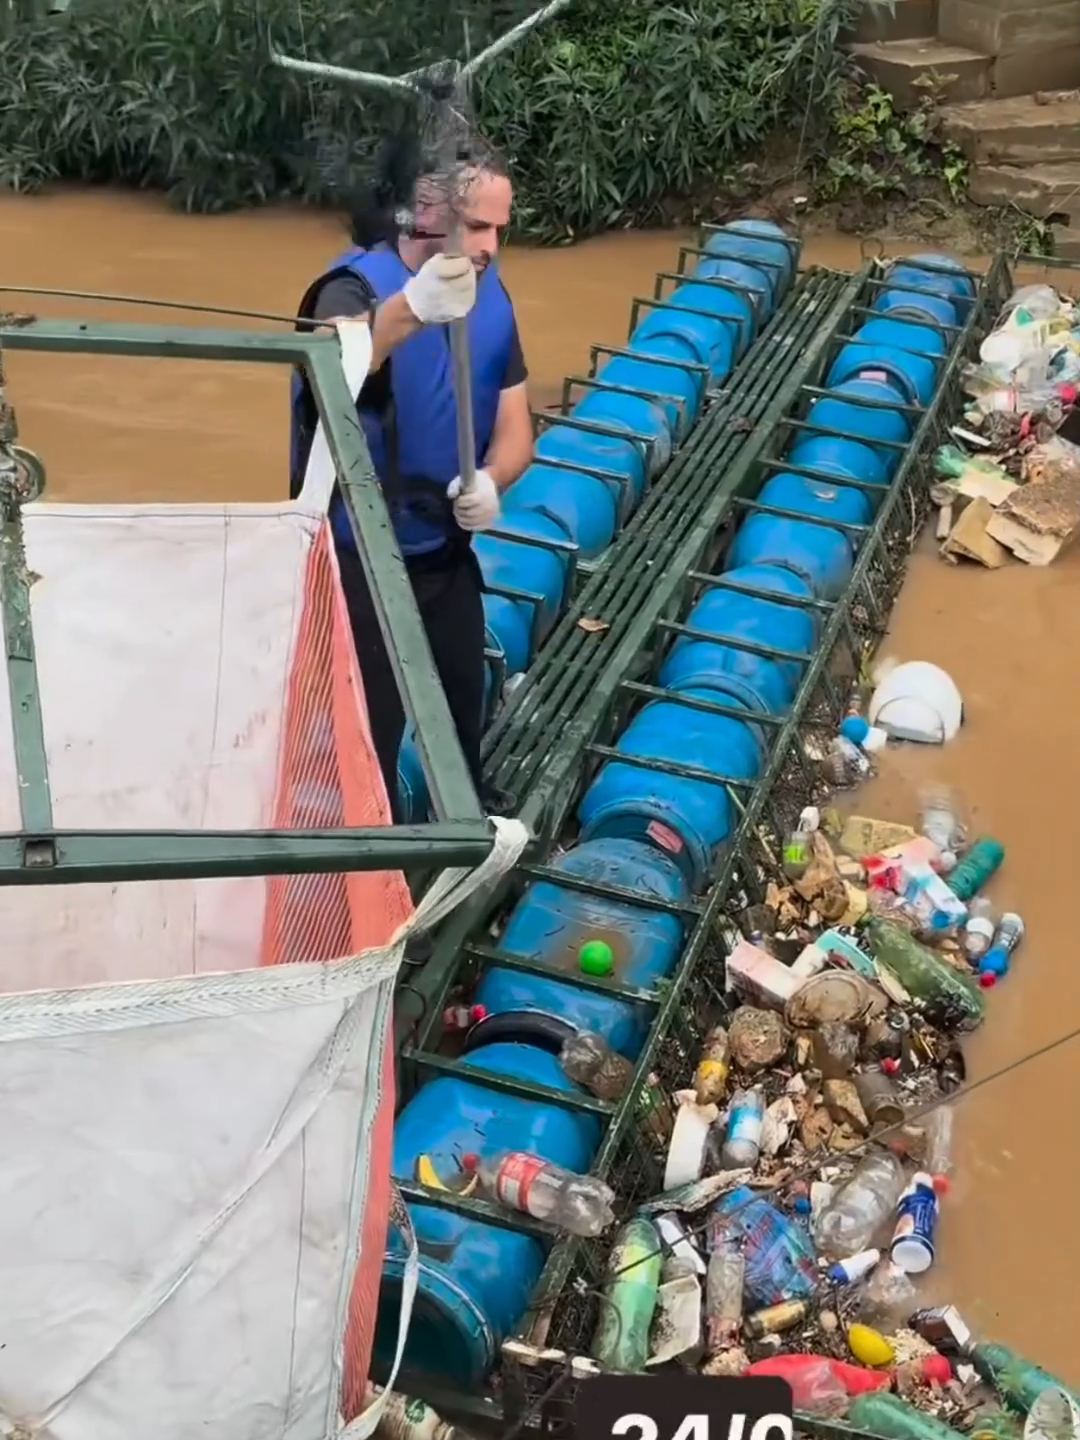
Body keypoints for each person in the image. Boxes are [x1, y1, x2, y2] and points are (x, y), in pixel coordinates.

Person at [290, 133, 533, 820]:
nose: (489, 247)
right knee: (373, 726)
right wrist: (412, 310)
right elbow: (326, 370)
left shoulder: (491, 294)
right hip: (361, 556)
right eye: (477, 226)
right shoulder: (353, 289)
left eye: (500, 230)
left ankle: (466, 814)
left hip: (443, 551)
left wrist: (491, 480)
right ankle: (375, 858)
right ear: (425, 210)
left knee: (462, 695)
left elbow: (518, 427)